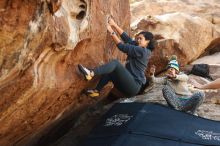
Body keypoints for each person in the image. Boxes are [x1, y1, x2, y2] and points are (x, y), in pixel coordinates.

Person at [78, 17, 155, 98]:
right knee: (110, 70)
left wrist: (111, 31)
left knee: (115, 63)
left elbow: (121, 46)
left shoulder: (143, 51)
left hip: (134, 86)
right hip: (127, 86)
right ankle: (96, 91)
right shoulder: (140, 47)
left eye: (140, 39)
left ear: (147, 41)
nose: (138, 40)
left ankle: (91, 73)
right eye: (137, 38)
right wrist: (114, 25)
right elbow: (127, 39)